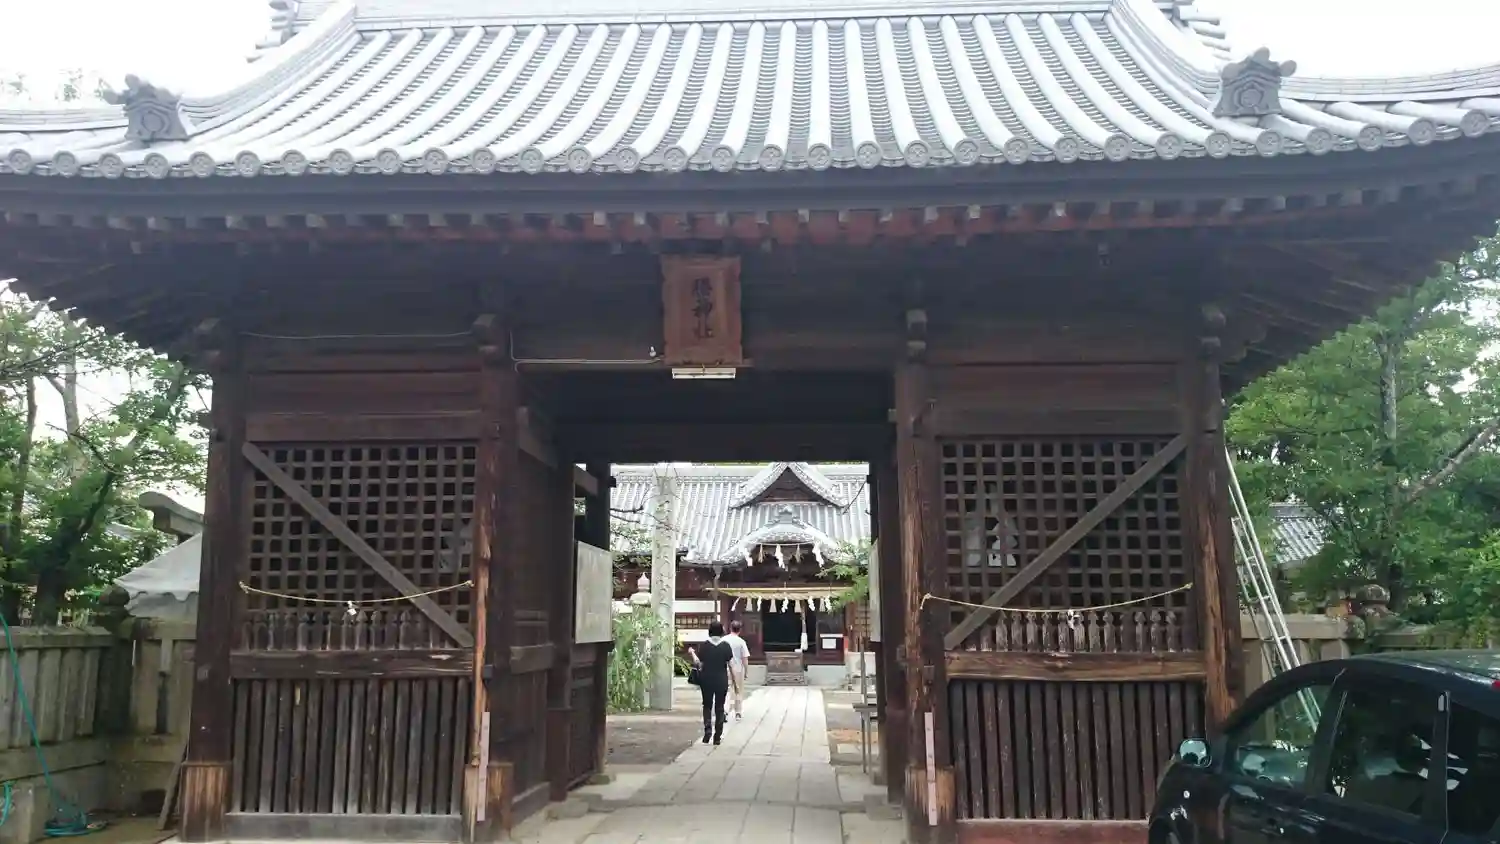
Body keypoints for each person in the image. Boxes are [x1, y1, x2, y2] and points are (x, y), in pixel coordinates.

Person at [690, 622, 733, 745]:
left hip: (707, 679)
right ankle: (717, 736)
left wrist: (692, 653)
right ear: (721, 631)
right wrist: (735, 681)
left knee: (707, 705)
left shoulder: (704, 646)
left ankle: (707, 730)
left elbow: (699, 663)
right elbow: (731, 665)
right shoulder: (726, 646)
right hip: (721, 680)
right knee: (720, 707)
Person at [722, 620, 751, 720]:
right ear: (740, 630)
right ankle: (738, 712)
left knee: (726, 690)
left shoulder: (724, 640)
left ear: (730, 628)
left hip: (725, 668)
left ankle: (725, 710)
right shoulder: (741, 642)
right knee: (738, 690)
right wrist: (746, 671)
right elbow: (745, 658)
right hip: (738, 669)